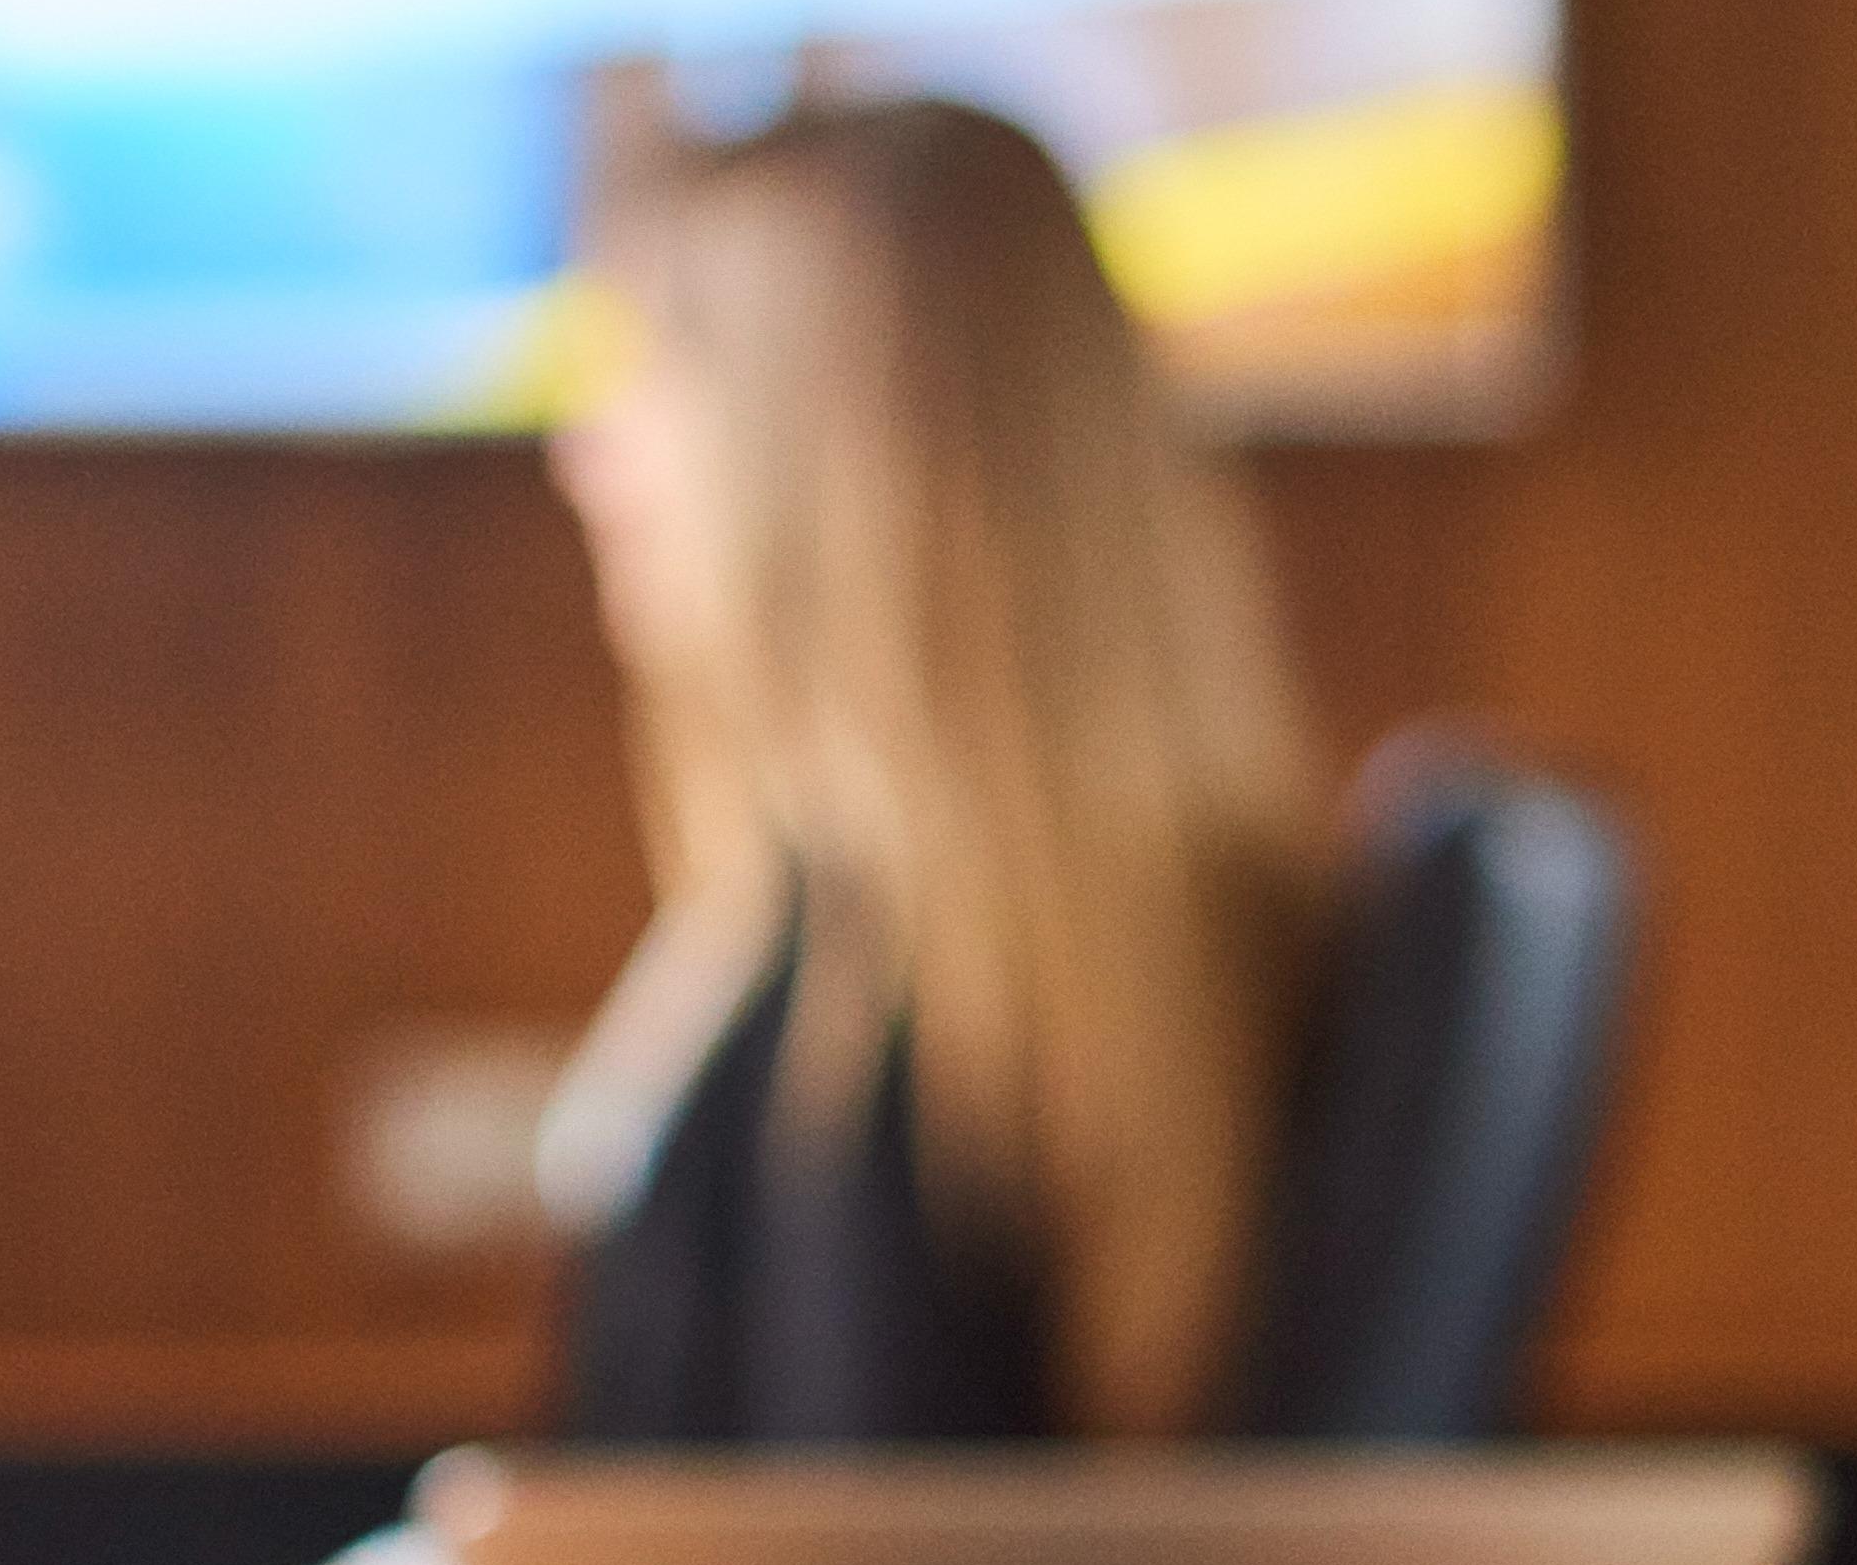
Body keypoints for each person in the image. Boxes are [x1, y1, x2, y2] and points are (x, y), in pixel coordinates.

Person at [531, 94, 1332, 1442]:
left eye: (662, 367)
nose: (588, 455)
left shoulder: (873, 1040)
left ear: (836, 443)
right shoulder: (1083, 972)